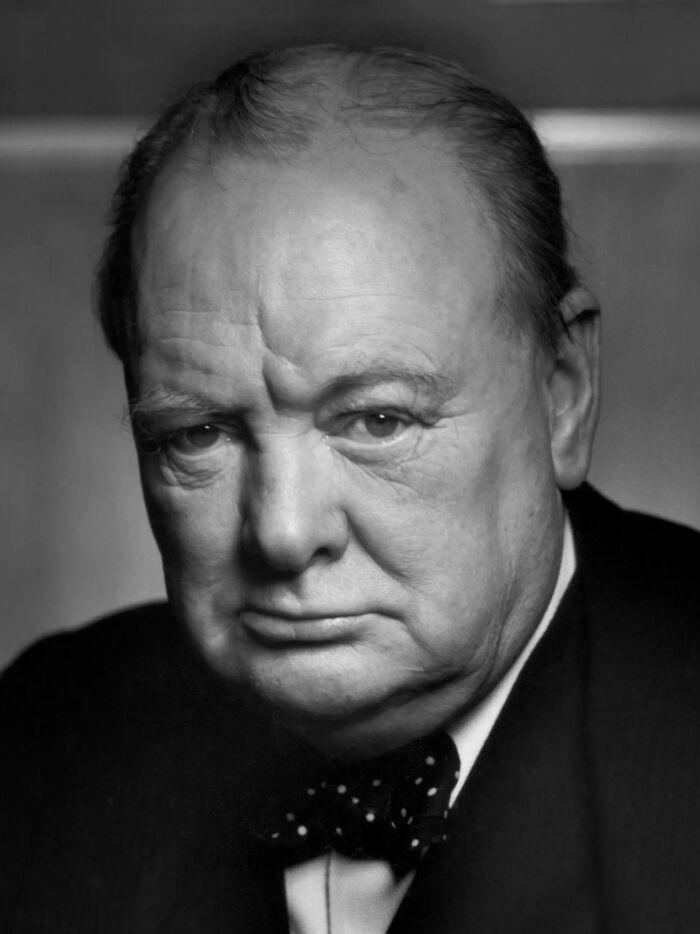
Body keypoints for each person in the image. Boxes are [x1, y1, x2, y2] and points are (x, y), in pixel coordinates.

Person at [1, 44, 699, 934]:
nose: (284, 534)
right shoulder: (41, 735)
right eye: (199, 432)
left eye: (376, 420)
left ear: (562, 393)